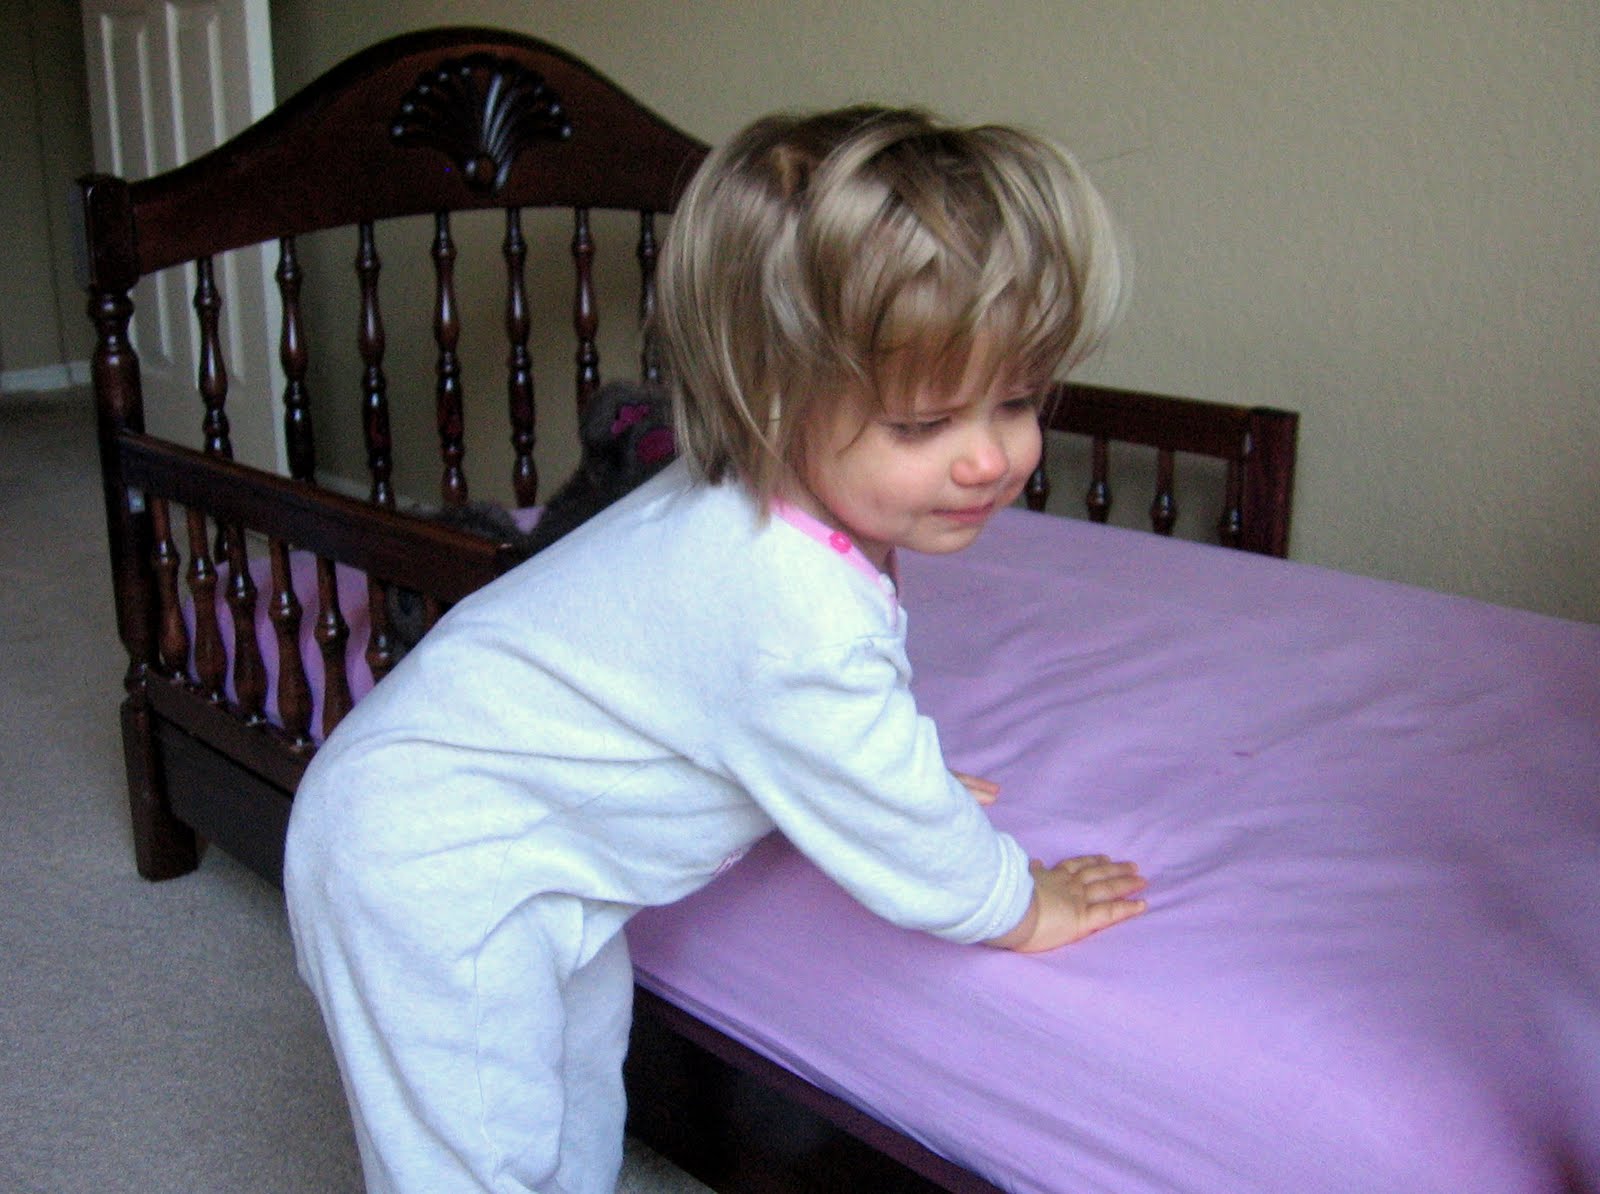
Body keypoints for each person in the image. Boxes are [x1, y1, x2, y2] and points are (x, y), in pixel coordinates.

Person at [285, 104, 1147, 1194]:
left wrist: (890, 774)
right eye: (922, 426)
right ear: (768, 394)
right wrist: (1023, 904)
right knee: (473, 1149)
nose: (991, 456)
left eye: (1017, 400)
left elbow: (812, 735)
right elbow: (905, 838)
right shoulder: (787, 602)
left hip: (533, 854)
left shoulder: (759, 519)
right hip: (425, 865)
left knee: (577, 1082)